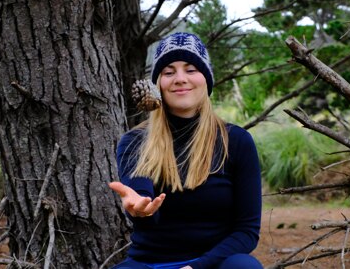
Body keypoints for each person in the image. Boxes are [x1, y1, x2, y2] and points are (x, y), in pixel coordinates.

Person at [109, 32, 262, 269]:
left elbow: (247, 231)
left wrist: (196, 267)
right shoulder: (135, 140)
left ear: (206, 79)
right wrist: (143, 210)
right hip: (150, 264)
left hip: (214, 263)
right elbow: (142, 198)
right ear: (157, 84)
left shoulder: (236, 141)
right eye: (169, 72)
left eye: (190, 70)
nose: (180, 79)